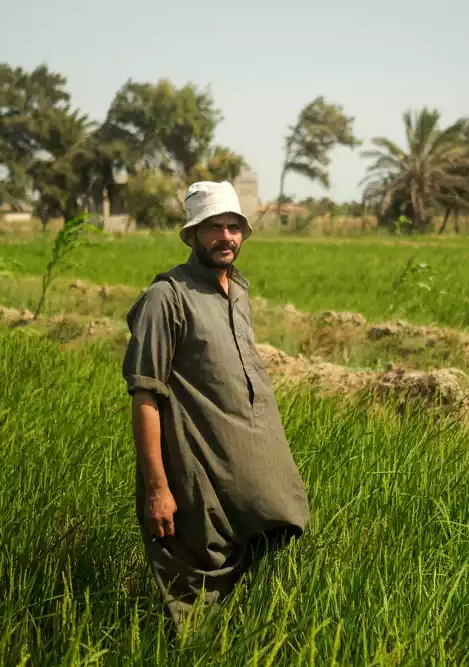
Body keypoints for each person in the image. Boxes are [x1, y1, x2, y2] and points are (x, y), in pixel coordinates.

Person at [122, 181, 310, 636]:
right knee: (193, 604)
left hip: (246, 478)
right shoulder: (167, 298)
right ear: (192, 234)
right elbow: (146, 397)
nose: (225, 237)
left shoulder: (238, 292)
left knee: (249, 591)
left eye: (233, 227)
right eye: (213, 227)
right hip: (196, 476)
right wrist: (157, 490)